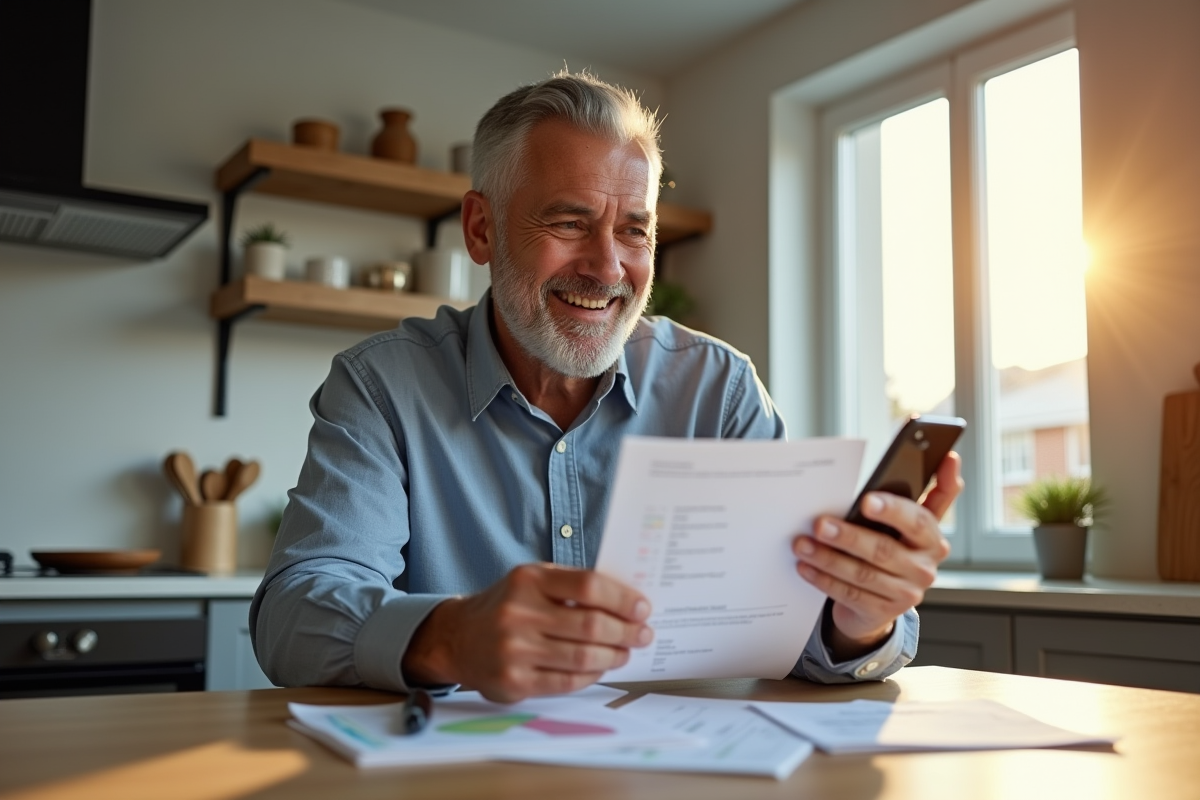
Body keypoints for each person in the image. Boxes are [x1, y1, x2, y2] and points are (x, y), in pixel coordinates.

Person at [250, 71, 959, 704]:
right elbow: (292, 618)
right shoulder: (382, 386)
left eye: (635, 230)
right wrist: (450, 635)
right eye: (569, 222)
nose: (608, 268)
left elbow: (793, 627)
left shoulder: (718, 388)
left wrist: (859, 616)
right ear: (481, 229)